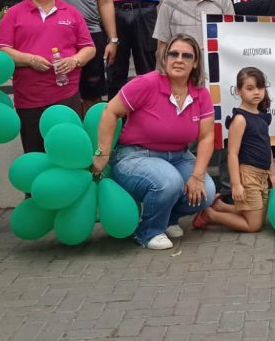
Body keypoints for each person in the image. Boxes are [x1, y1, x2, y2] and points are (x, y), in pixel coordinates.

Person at [91, 34, 216, 249]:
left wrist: (196, 176)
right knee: (169, 182)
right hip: (135, 155)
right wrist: (102, 153)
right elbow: (110, 111)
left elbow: (206, 137)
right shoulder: (145, 84)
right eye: (173, 54)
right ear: (164, 58)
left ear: (195, 63)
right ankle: (148, 231)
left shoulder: (201, 93)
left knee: (207, 193)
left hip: (178, 155)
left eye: (187, 56)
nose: (179, 59)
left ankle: (167, 219)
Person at [0, 0, 96, 154]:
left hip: (66, 95)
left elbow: (89, 48)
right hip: (29, 98)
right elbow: (2, 49)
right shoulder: (14, 14)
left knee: (68, 152)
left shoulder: (72, 13)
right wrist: (29, 59)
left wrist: (75, 60)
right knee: (36, 154)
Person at [192, 67, 275, 233]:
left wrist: (272, 173)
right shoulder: (239, 119)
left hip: (262, 175)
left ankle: (219, 206)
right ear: (238, 91)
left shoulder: (262, 117)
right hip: (248, 175)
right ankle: (210, 215)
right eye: (250, 88)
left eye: (260, 88)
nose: (256, 92)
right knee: (253, 225)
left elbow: (267, 146)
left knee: (253, 213)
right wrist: (236, 184)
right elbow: (232, 154)